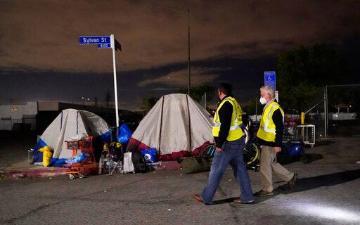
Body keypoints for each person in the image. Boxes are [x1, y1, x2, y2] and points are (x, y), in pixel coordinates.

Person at [194, 83, 254, 205]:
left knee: (216, 170)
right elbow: (239, 122)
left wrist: (219, 144)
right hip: (237, 140)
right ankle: (248, 196)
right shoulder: (234, 103)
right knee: (240, 170)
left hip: (227, 143)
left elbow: (225, 126)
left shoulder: (225, 105)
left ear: (221, 92)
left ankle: (206, 197)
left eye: (218, 92)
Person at [255, 86, 297, 196]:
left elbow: (279, 128)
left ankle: (267, 189)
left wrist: (278, 144)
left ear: (268, 95)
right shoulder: (269, 107)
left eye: (262, 94)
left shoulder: (275, 109)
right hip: (267, 141)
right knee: (272, 163)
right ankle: (291, 177)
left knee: (265, 166)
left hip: (270, 142)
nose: (261, 97)